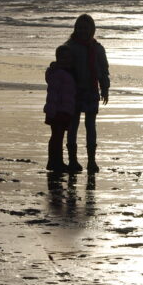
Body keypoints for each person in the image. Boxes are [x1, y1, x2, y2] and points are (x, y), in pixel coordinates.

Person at [64, 14, 109, 174]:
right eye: (80, 28)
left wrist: (105, 88)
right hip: (74, 92)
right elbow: (63, 68)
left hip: (91, 91)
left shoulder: (97, 48)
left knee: (91, 126)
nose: (83, 30)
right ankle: (72, 160)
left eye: (86, 28)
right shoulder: (69, 47)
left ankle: (91, 160)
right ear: (75, 29)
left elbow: (104, 71)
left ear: (92, 29)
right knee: (73, 126)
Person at [43, 45, 76, 173]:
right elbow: (53, 93)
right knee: (57, 136)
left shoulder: (68, 72)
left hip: (64, 109)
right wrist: (53, 110)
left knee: (58, 136)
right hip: (57, 110)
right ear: (57, 59)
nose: (66, 60)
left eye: (68, 58)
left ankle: (56, 161)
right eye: (63, 58)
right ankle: (54, 162)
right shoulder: (58, 73)